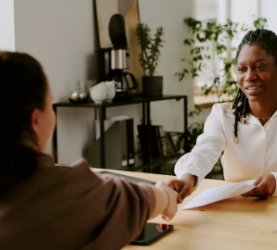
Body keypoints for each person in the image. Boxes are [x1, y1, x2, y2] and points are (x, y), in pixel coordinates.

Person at [0, 51, 178, 249]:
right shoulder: (69, 195)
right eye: (49, 104)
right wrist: (166, 194)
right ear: (36, 120)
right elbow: (138, 200)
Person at [168, 29, 277, 202]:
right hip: (239, 212)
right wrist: (188, 178)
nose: (249, 76)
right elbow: (204, 152)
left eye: (260, 67)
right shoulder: (222, 114)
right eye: (242, 69)